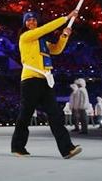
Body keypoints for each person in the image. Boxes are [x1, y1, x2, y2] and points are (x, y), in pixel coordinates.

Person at [10, 10, 82, 159]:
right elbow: (45, 29)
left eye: (34, 20)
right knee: (25, 114)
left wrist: (64, 35)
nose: (31, 22)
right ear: (24, 24)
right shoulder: (25, 37)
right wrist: (66, 17)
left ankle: (67, 149)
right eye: (28, 20)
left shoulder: (43, 42)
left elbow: (56, 50)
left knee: (55, 114)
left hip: (45, 80)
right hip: (30, 80)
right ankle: (17, 147)